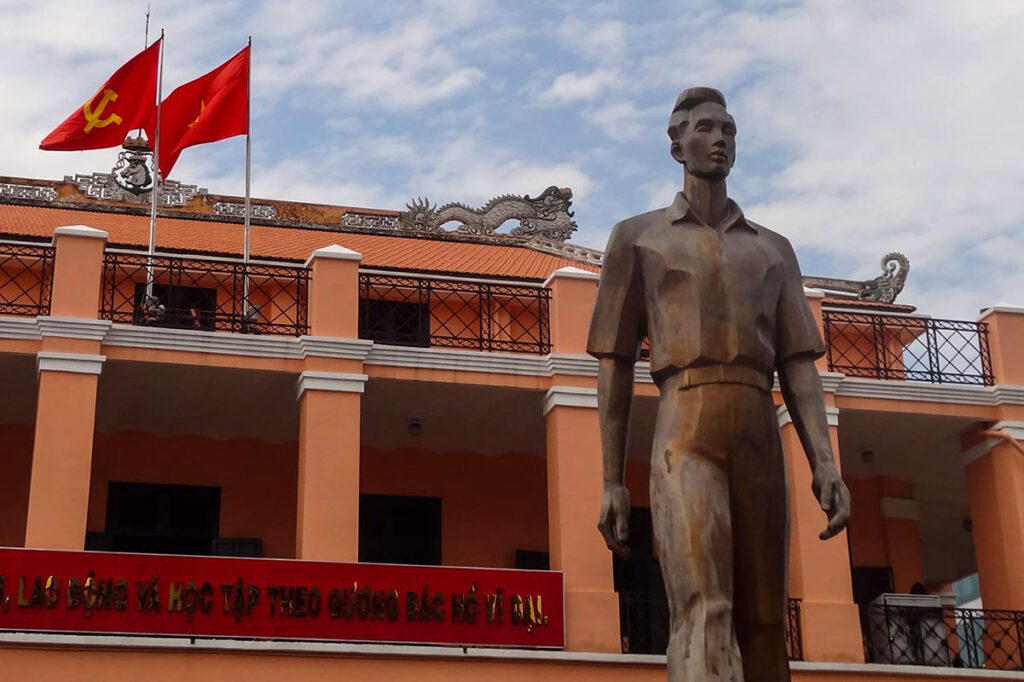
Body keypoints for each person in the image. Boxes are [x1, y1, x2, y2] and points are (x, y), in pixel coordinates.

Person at [587, 87, 850, 681]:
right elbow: (614, 362)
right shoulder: (638, 239)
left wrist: (825, 462)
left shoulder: (773, 250)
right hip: (686, 427)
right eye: (705, 129)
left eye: (728, 130)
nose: (720, 140)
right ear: (676, 144)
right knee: (706, 605)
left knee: (763, 620)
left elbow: (800, 364)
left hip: (757, 424)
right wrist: (610, 480)